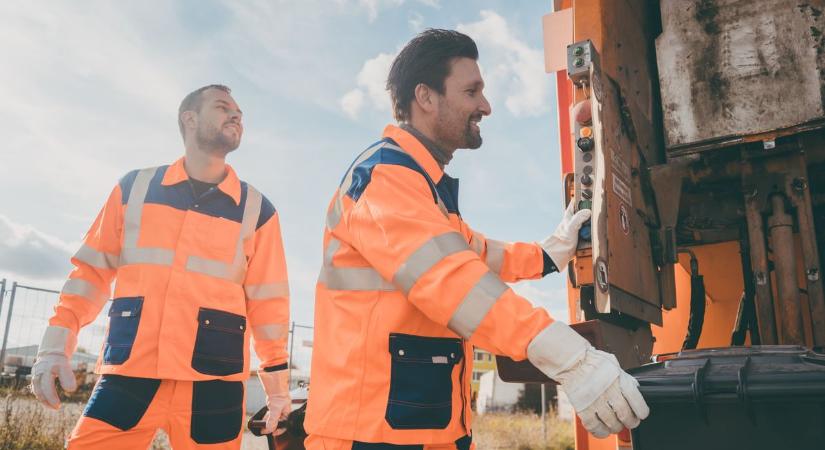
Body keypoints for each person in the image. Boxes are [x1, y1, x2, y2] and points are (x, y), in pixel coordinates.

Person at [304, 29, 649, 449]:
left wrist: (547, 253)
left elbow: (479, 254)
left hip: (418, 426)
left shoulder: (424, 190)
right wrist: (570, 357)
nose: (485, 106)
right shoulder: (385, 178)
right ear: (426, 97)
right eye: (472, 91)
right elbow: (454, 282)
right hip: (370, 436)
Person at [31, 85, 292, 449]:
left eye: (240, 113)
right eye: (223, 107)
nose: (236, 116)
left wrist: (278, 390)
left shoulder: (257, 210)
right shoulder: (135, 189)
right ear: (190, 119)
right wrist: (55, 346)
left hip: (213, 384)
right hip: (132, 371)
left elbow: (269, 305)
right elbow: (90, 273)